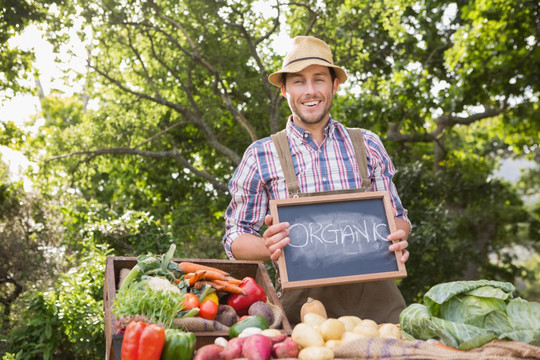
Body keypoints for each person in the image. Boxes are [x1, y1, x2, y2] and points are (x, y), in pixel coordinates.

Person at [222, 35, 411, 325]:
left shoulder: (368, 144)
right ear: (284, 90)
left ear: (334, 85)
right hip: (302, 318)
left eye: (319, 79)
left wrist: (398, 236)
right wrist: (268, 246)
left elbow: (397, 217)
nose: (310, 91)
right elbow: (235, 235)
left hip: (379, 316)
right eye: (298, 81)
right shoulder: (261, 154)